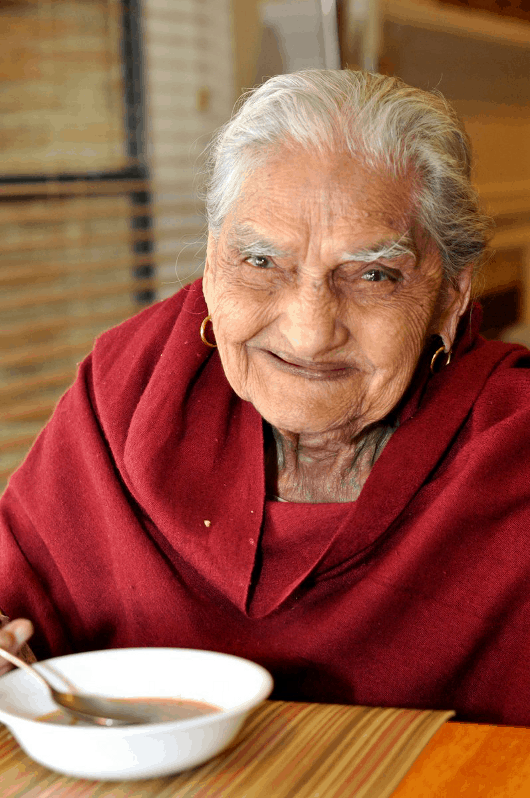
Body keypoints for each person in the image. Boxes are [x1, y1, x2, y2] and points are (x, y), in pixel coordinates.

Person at [2, 69, 530, 726]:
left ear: (451, 293)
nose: (310, 332)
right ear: (211, 260)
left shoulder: (513, 449)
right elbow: (14, 611)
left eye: (371, 274)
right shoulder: (128, 392)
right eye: (261, 262)